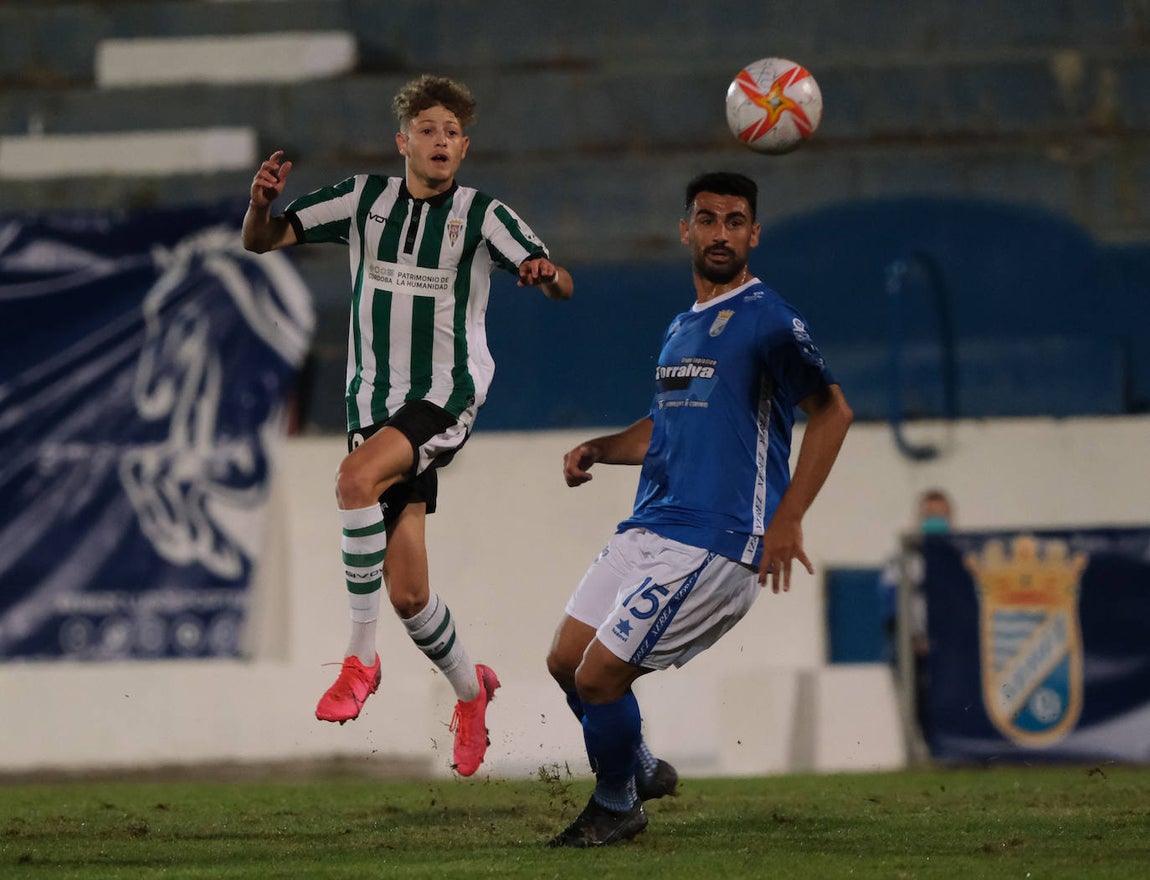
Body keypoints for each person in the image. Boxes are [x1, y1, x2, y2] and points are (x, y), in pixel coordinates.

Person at [242, 74, 574, 777]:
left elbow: (560, 279)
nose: (441, 141)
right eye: (428, 129)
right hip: (372, 405)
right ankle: (470, 690)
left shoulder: (483, 215)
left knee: (354, 480)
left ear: (465, 147)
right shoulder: (363, 201)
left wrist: (544, 272)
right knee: (411, 594)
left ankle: (360, 660)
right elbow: (263, 241)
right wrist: (259, 206)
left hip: (445, 394)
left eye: (453, 132)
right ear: (404, 142)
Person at [545, 171, 852, 847]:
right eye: (708, 220)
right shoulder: (681, 328)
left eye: (735, 221)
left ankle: (618, 803)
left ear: (754, 234)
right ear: (685, 230)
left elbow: (832, 414)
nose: (721, 233)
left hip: (717, 541)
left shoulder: (769, 319)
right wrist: (599, 448)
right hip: (651, 524)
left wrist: (789, 517)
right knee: (567, 661)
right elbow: (664, 425)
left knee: (600, 676)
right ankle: (641, 766)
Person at [879, 488, 954, 752]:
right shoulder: (901, 561)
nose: (935, 521)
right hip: (914, 651)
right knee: (918, 704)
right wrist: (912, 639)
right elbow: (890, 607)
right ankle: (926, 752)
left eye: (940, 515)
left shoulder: (962, 559)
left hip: (952, 650)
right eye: (929, 515)